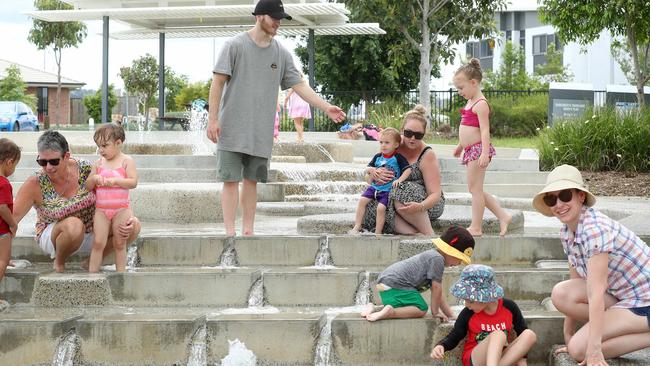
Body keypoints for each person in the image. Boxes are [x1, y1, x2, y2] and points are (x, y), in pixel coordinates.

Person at [206, 0, 345, 237]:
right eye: (274, 18)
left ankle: (247, 232)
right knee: (230, 180)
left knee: (252, 181)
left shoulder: (280, 52)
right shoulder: (234, 45)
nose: (278, 23)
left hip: (261, 130)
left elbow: (299, 84)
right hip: (231, 127)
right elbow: (217, 82)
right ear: (260, 17)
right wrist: (213, 119)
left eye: (281, 18)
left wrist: (325, 107)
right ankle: (229, 233)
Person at [532, 164, 650, 365]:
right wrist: (568, 335)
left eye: (565, 195)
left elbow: (595, 292)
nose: (559, 204)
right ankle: (602, 332)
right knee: (561, 294)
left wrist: (593, 350)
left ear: (581, 196)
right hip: (622, 296)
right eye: (551, 199)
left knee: (579, 350)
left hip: (644, 302)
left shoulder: (595, 230)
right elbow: (576, 284)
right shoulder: (568, 232)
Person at [12, 130, 141, 273]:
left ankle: (90, 262)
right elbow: (11, 219)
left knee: (133, 226)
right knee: (74, 225)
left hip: (91, 229)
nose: (48, 167)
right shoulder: (35, 183)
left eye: (54, 161)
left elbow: (114, 195)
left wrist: (128, 217)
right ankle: (59, 261)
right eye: (42, 162)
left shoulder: (85, 168)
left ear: (66, 156)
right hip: (56, 233)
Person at [360, 225, 475, 321]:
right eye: (460, 258)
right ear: (450, 251)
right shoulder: (437, 259)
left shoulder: (433, 256)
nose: (459, 263)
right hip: (397, 283)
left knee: (406, 305)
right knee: (421, 308)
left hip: (386, 282)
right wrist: (435, 312)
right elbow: (436, 288)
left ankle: (375, 308)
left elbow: (439, 295)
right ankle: (391, 312)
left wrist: (450, 315)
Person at [362, 105, 445, 235]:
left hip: (427, 203)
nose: (412, 138)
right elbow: (369, 179)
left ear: (424, 134)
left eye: (418, 135)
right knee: (370, 202)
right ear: (402, 130)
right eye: (408, 133)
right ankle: (413, 232)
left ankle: (429, 233)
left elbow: (435, 194)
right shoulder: (392, 145)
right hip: (395, 198)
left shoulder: (427, 154)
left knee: (400, 187)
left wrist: (421, 206)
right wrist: (374, 175)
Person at [431, 264, 537, 366]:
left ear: (485, 297)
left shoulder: (509, 307)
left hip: (501, 357)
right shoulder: (468, 313)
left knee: (529, 335)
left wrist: (521, 359)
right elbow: (455, 335)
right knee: (498, 334)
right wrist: (441, 346)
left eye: (471, 301)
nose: (467, 305)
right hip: (476, 358)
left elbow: (522, 333)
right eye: (465, 300)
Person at [452, 58, 511, 237]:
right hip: (471, 150)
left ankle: (476, 227)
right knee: (475, 188)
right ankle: (503, 215)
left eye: (461, 88)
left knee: (475, 189)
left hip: (479, 150)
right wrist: (460, 146)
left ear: (474, 83)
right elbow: (468, 129)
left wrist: (485, 153)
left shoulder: (481, 104)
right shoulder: (470, 102)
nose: (459, 92)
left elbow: (484, 131)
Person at [86, 124, 138, 273]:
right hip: (101, 210)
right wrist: (95, 178)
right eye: (98, 146)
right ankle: (92, 275)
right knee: (98, 243)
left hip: (121, 209)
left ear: (119, 143)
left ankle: (121, 274)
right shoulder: (98, 164)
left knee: (120, 243)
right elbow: (88, 186)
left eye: (105, 145)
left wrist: (115, 181)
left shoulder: (126, 161)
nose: (101, 150)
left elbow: (133, 182)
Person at [350, 128, 412, 235]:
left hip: (387, 190)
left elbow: (408, 169)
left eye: (387, 143)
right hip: (374, 187)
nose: (383, 145)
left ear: (396, 145)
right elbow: (367, 168)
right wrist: (371, 170)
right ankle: (357, 225)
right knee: (362, 201)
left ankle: (378, 232)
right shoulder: (378, 157)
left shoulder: (397, 158)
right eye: (381, 142)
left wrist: (399, 180)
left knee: (381, 208)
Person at [0, 138, 20, 305]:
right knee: (2, 261)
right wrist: (13, 223)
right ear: (9, 162)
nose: (13, 169)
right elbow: (2, 207)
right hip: (2, 229)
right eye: (15, 165)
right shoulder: (3, 183)